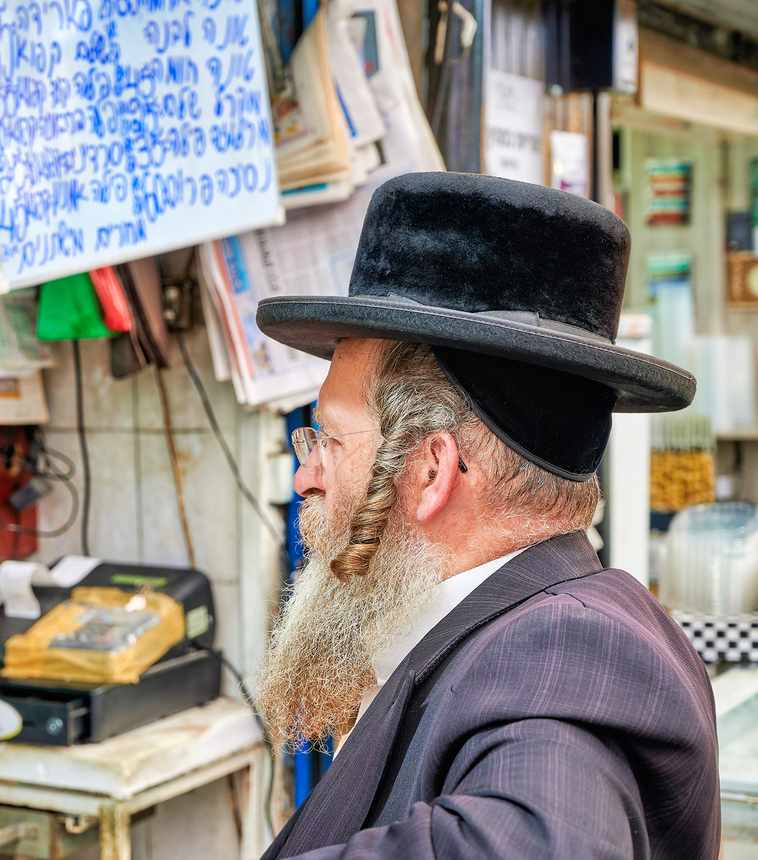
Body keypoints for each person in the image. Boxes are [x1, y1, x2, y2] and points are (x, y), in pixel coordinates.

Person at [253, 172, 721, 860]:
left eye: (328, 438)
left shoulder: (558, 654)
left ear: (431, 470)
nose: (306, 475)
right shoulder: (513, 630)